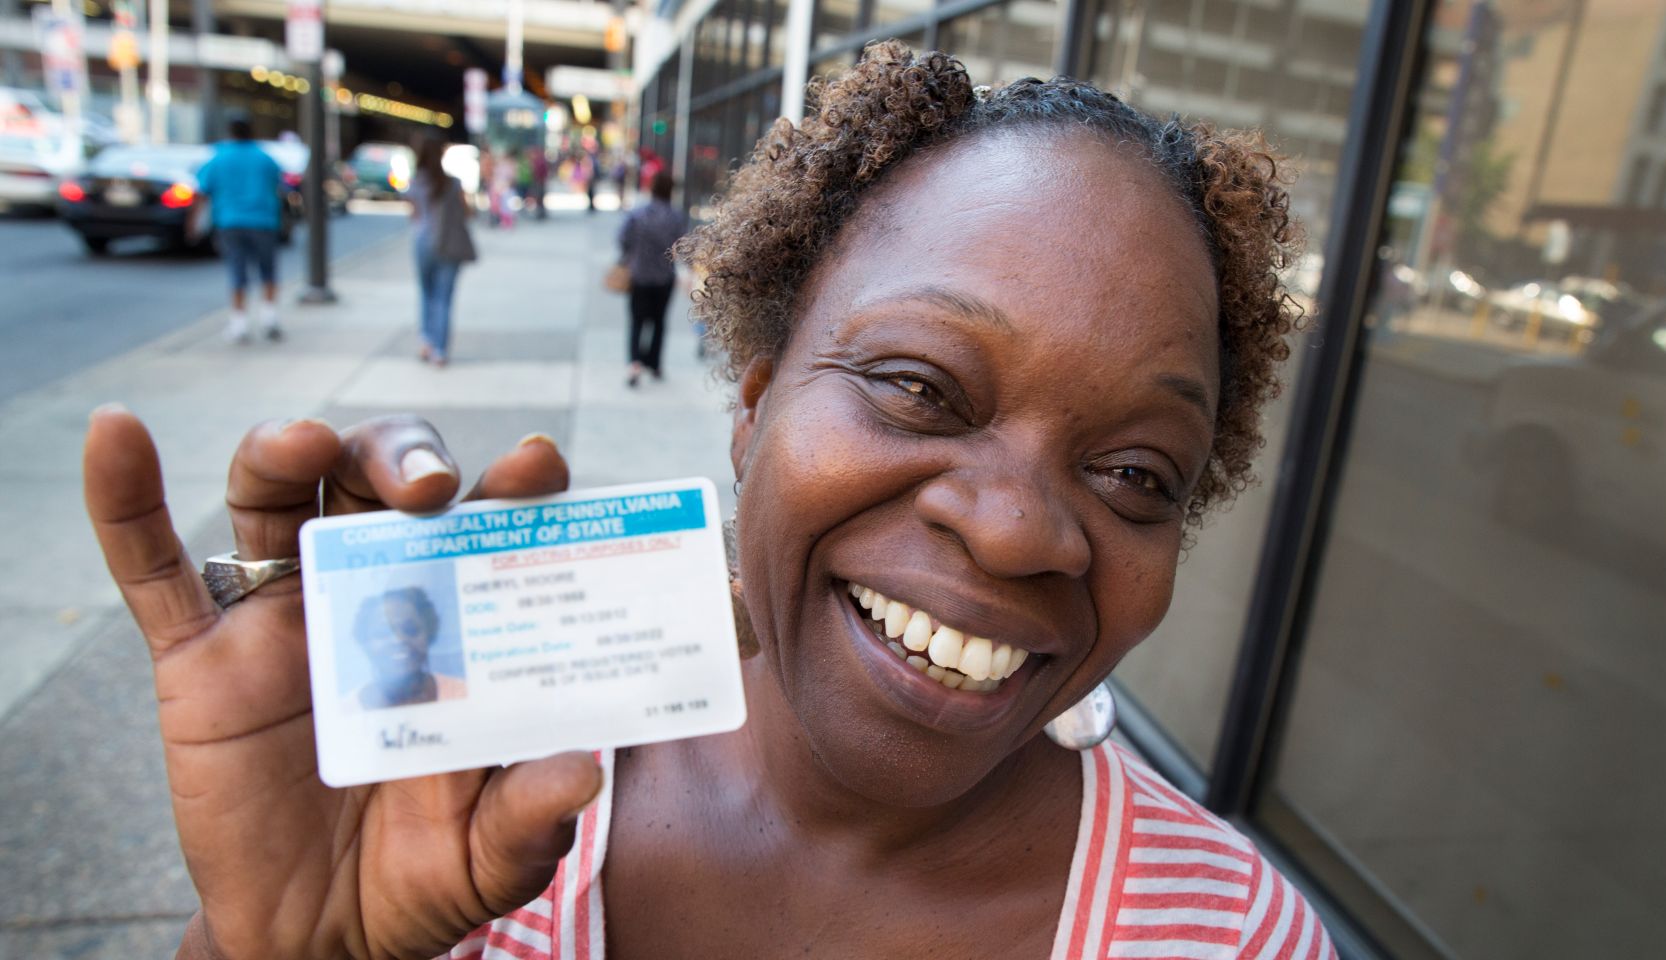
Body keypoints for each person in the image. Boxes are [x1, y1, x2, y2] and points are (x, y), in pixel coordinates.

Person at [83, 44, 1336, 960]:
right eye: (917, 387)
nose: (1015, 527)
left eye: (1134, 473)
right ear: (753, 403)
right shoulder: (468, 799)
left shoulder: (1232, 940)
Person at [197, 115, 284, 343]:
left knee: (237, 271)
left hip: (231, 222)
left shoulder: (219, 158)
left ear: (230, 132)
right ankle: (269, 318)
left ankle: (239, 325)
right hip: (263, 221)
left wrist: (193, 222)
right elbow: (279, 185)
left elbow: (203, 189)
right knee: (268, 271)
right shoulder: (265, 158)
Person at [407, 135, 478, 367]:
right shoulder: (452, 183)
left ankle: (426, 341)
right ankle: (440, 350)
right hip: (448, 244)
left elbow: (415, 215)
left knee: (426, 294)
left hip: (422, 242)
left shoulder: (416, 182)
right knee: (443, 298)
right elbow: (467, 213)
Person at [617, 170, 686, 387]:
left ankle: (635, 364)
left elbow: (623, 239)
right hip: (664, 277)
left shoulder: (638, 214)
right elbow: (683, 246)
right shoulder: (676, 217)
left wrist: (631, 255)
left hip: (639, 275)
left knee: (637, 321)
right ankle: (654, 364)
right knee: (659, 322)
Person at [348, 586, 466, 710]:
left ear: (429, 635)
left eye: (410, 630)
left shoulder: (462, 693)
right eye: (383, 632)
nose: (399, 640)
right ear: (365, 643)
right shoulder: (346, 709)